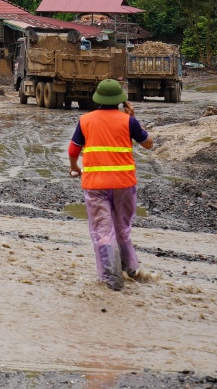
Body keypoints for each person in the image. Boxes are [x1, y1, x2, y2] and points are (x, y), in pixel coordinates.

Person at [68, 78, 154, 291]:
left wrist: (75, 168)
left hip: (95, 185)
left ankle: (112, 281)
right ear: (120, 101)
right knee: (123, 230)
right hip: (124, 184)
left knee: (103, 232)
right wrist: (134, 118)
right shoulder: (128, 121)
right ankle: (130, 270)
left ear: (97, 98)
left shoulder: (85, 120)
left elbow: (73, 151)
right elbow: (149, 144)